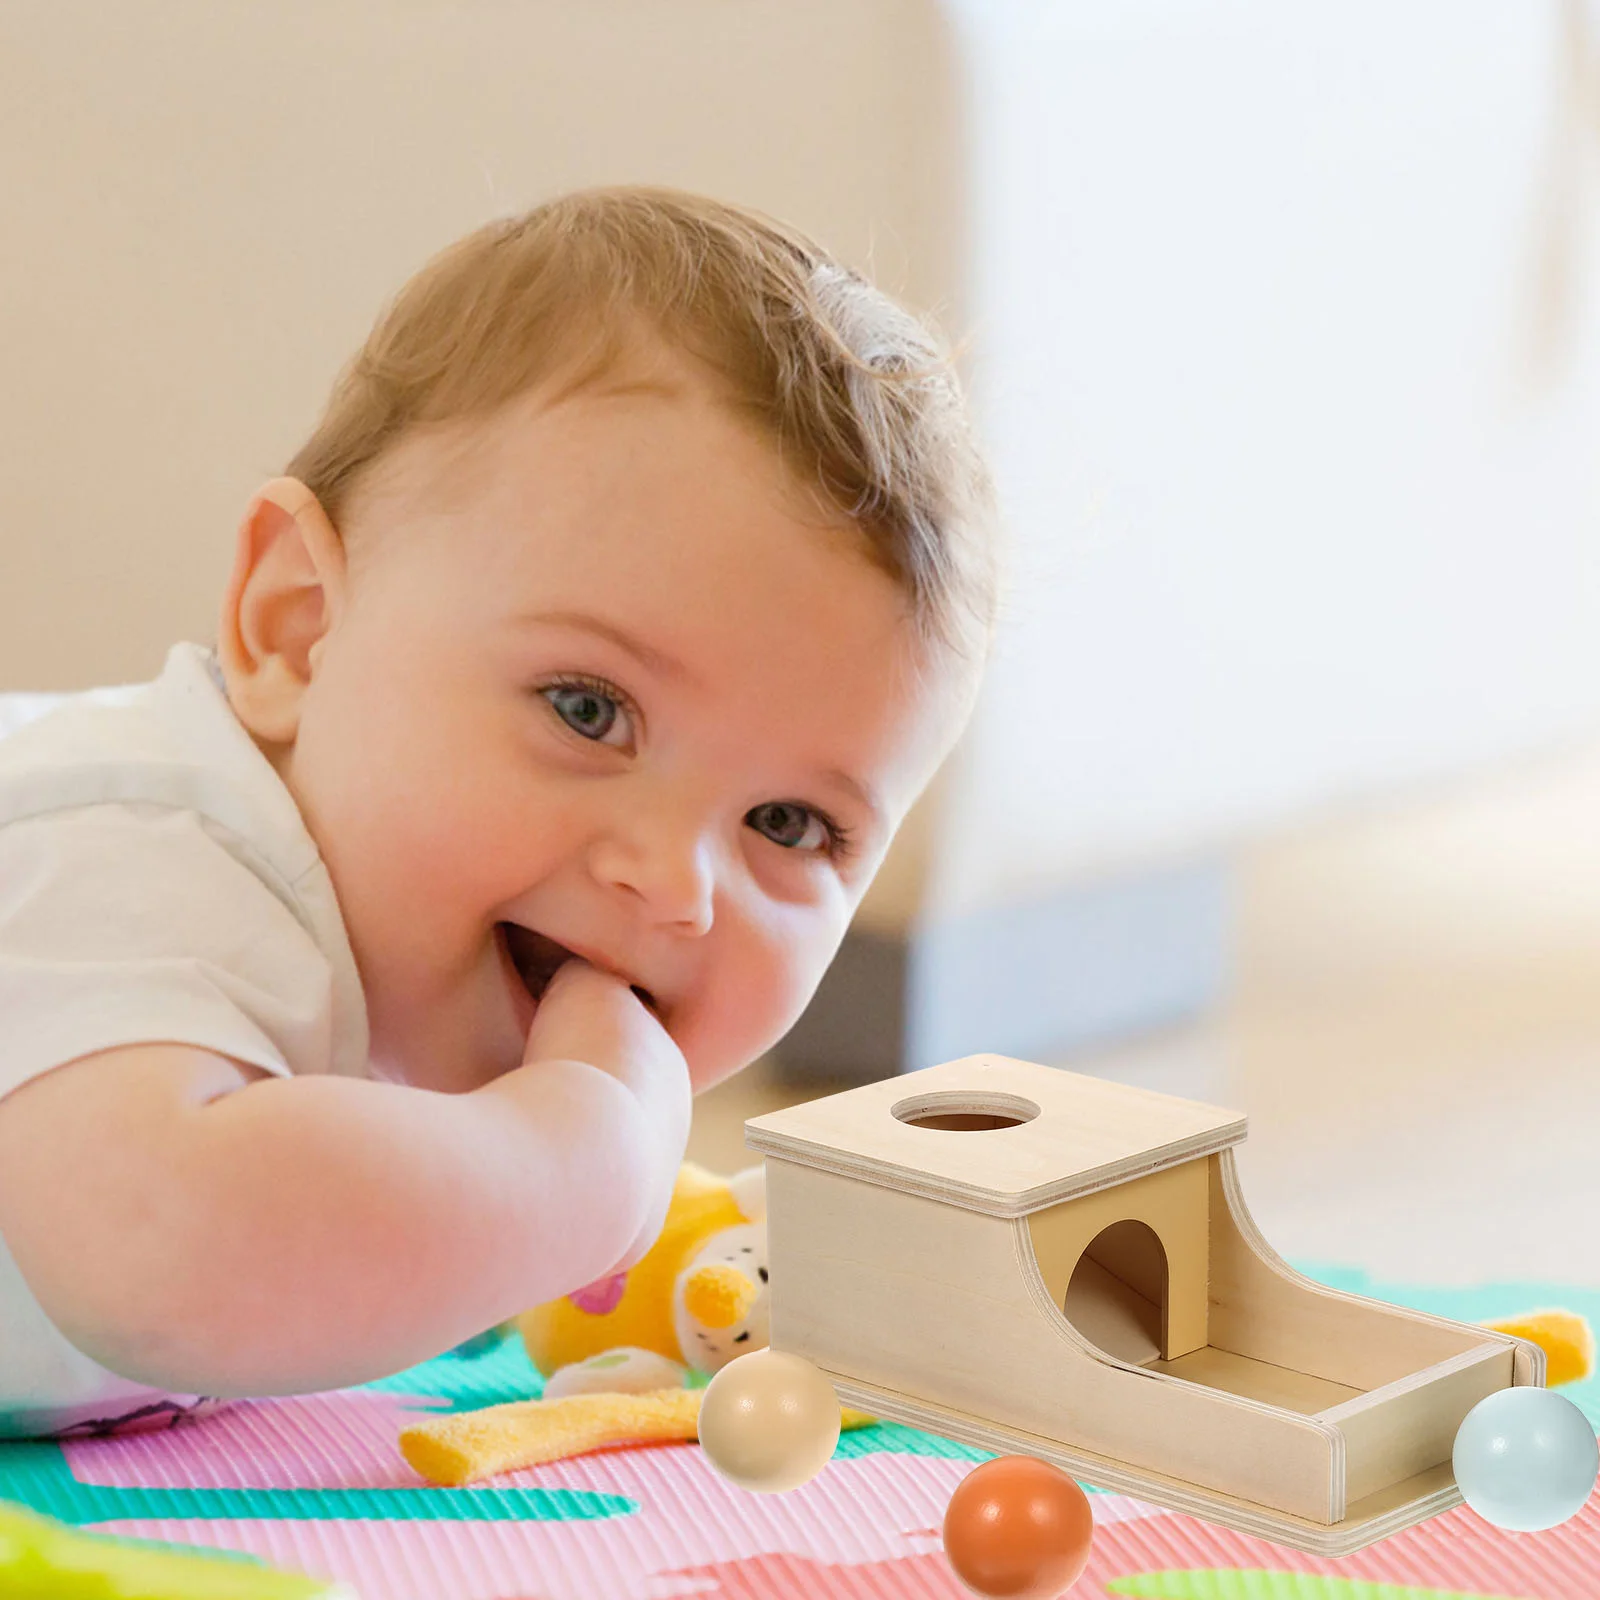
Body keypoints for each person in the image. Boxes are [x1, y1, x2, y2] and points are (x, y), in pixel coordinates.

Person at [0, 187, 999, 1437]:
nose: (676, 884)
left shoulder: (379, 973)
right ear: (298, 630)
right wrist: (571, 1166)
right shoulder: (130, 849)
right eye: (587, 710)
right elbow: (151, 1247)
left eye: (788, 825)